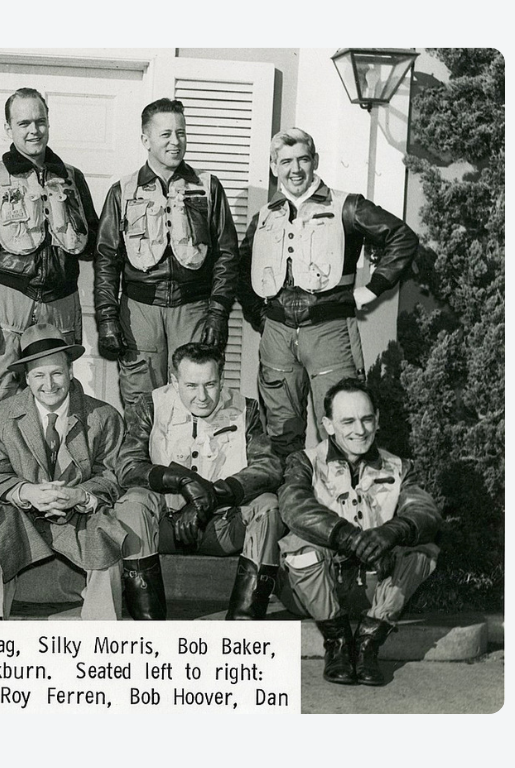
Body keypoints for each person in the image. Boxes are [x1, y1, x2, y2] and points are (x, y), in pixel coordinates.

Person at [238, 127, 418, 458]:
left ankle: (339, 506)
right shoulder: (263, 218)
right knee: (279, 433)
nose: (295, 170)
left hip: (330, 332)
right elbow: (240, 269)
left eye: (303, 159)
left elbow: (402, 237)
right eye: (286, 161)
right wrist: (259, 317)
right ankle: (289, 504)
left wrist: (372, 290)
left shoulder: (347, 207)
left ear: (315, 161)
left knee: (343, 429)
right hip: (277, 337)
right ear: (273, 166)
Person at [278, 378, 440, 686]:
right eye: (347, 421)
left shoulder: (400, 466)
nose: (360, 430)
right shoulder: (304, 461)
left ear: (377, 419)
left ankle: (368, 643)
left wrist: (391, 532)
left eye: (367, 419)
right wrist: (349, 537)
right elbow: (293, 506)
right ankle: (337, 643)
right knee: (298, 542)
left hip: (375, 588)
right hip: (317, 588)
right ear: (328, 424)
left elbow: (425, 511)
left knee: (423, 549)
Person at [115, 344, 282, 620]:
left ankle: (244, 627)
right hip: (166, 527)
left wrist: (212, 496)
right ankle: (148, 627)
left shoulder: (246, 409)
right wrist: (182, 481)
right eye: (191, 385)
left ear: (222, 379)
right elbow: (127, 466)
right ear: (174, 380)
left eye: (210, 384)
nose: (202, 396)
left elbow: (269, 467)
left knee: (268, 504)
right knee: (133, 502)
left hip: (221, 526)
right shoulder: (149, 406)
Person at [94, 98, 240, 408]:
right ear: (146, 140)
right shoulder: (122, 190)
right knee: (141, 402)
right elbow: (106, 259)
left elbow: (227, 255)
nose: (176, 142)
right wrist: (107, 317)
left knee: (195, 400)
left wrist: (218, 312)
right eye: (166, 134)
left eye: (181, 133)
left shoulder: (208, 187)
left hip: (193, 308)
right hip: (140, 310)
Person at [0, 324, 127, 620]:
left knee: (105, 531)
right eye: (39, 375)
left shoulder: (104, 416)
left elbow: (113, 477)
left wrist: (79, 496)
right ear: (26, 378)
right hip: (24, 515)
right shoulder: (0, 415)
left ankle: (103, 631)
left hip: (80, 515)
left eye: (57, 373)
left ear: (71, 371)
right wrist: (26, 492)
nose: (49, 384)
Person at [0, 88, 99, 416]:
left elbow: (92, 245)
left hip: (62, 302)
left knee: (58, 397)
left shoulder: (71, 177)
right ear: (9, 128)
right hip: (10, 302)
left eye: (40, 121)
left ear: (48, 123)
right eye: (23, 123)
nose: (33, 130)